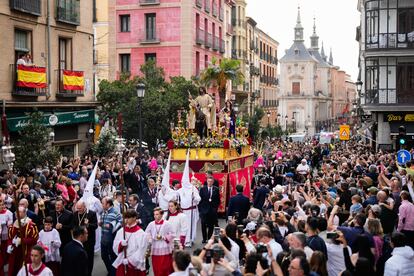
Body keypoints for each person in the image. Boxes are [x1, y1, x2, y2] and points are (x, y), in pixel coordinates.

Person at [112, 209, 148, 276]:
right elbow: (115, 245)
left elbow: (142, 251)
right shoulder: (121, 231)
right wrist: (121, 244)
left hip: (135, 265)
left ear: (134, 218)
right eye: (125, 217)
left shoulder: (141, 233)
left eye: (128, 217)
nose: (126, 220)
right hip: (122, 261)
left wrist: (130, 261)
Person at [7, 206, 39, 276]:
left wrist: (22, 241)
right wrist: (9, 245)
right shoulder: (12, 226)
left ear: (25, 213)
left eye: (20, 212)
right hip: (14, 253)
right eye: (16, 212)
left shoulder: (31, 225)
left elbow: (34, 239)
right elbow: (10, 238)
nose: (17, 214)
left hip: (25, 253)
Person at [145, 207, 174, 276]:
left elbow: (172, 234)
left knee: (165, 267)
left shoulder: (167, 224)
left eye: (157, 214)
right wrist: (150, 238)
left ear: (161, 215)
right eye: (154, 214)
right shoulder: (151, 224)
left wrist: (163, 237)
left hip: (164, 247)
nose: (155, 216)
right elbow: (146, 234)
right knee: (156, 267)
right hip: (155, 247)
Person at [73, 200, 98, 276]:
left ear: (84, 207)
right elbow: (73, 226)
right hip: (78, 240)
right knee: (80, 259)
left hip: (89, 240)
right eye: (77, 208)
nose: (78, 210)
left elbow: (95, 226)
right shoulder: (75, 214)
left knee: (89, 259)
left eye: (80, 208)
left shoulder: (91, 214)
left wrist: (88, 225)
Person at [100, 197, 122, 276]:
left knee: (113, 257)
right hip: (103, 238)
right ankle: (111, 270)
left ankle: (113, 273)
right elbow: (103, 223)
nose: (101, 205)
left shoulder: (116, 212)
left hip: (111, 239)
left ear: (108, 204)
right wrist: (101, 224)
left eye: (103, 203)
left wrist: (114, 227)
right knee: (104, 256)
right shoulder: (103, 212)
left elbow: (121, 222)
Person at [177, 175, 201, 246]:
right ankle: (183, 239)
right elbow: (174, 195)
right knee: (183, 226)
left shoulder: (193, 189)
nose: (183, 183)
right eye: (182, 182)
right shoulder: (180, 190)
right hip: (183, 211)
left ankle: (190, 239)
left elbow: (199, 198)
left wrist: (195, 198)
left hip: (191, 211)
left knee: (190, 225)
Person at [198, 176, 220, 243]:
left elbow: (218, 200)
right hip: (204, 210)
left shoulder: (216, 189)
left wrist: (215, 208)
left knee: (211, 225)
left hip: (212, 210)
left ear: (213, 182)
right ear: (206, 181)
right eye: (208, 181)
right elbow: (200, 200)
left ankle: (209, 238)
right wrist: (200, 210)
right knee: (203, 225)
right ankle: (204, 238)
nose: (210, 183)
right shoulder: (202, 189)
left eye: (211, 181)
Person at [0, 199, 12, 276]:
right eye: (0, 205)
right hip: (0, 234)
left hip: (6, 233)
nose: (1, 206)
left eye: (2, 205)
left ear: (4, 205)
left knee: (5, 248)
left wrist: (7, 223)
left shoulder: (8, 212)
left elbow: (11, 222)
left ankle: (6, 262)